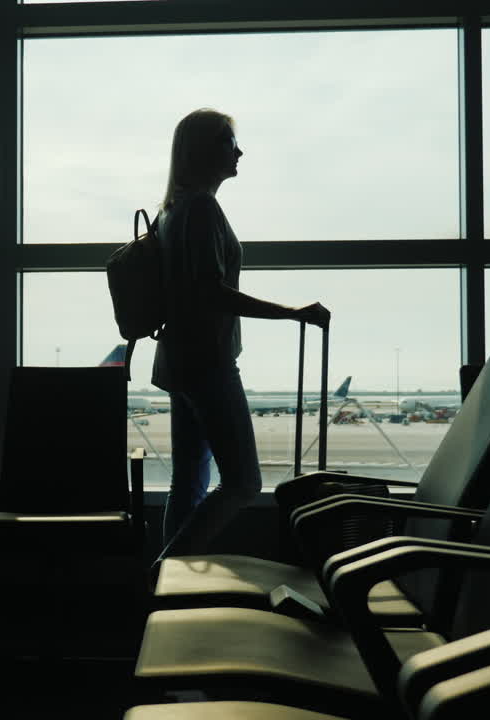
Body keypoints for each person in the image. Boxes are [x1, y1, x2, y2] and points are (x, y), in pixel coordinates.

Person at [153, 108, 330, 560]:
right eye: (230, 142)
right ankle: (163, 571)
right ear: (206, 149)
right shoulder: (201, 208)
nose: (240, 152)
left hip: (178, 361)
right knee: (243, 481)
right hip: (207, 362)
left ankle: (166, 582)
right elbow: (213, 292)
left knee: (189, 480)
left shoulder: (173, 210)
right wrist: (292, 313)